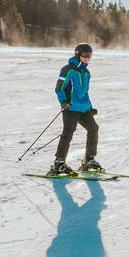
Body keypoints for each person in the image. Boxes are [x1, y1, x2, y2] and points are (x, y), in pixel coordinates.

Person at [49, 42, 102, 176]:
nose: (87, 58)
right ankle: (59, 163)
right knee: (68, 132)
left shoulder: (86, 72)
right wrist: (64, 102)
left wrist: (90, 108)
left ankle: (89, 160)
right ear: (78, 54)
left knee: (93, 129)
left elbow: (85, 93)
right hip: (71, 107)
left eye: (89, 56)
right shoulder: (68, 69)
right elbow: (59, 88)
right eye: (84, 55)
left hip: (83, 109)